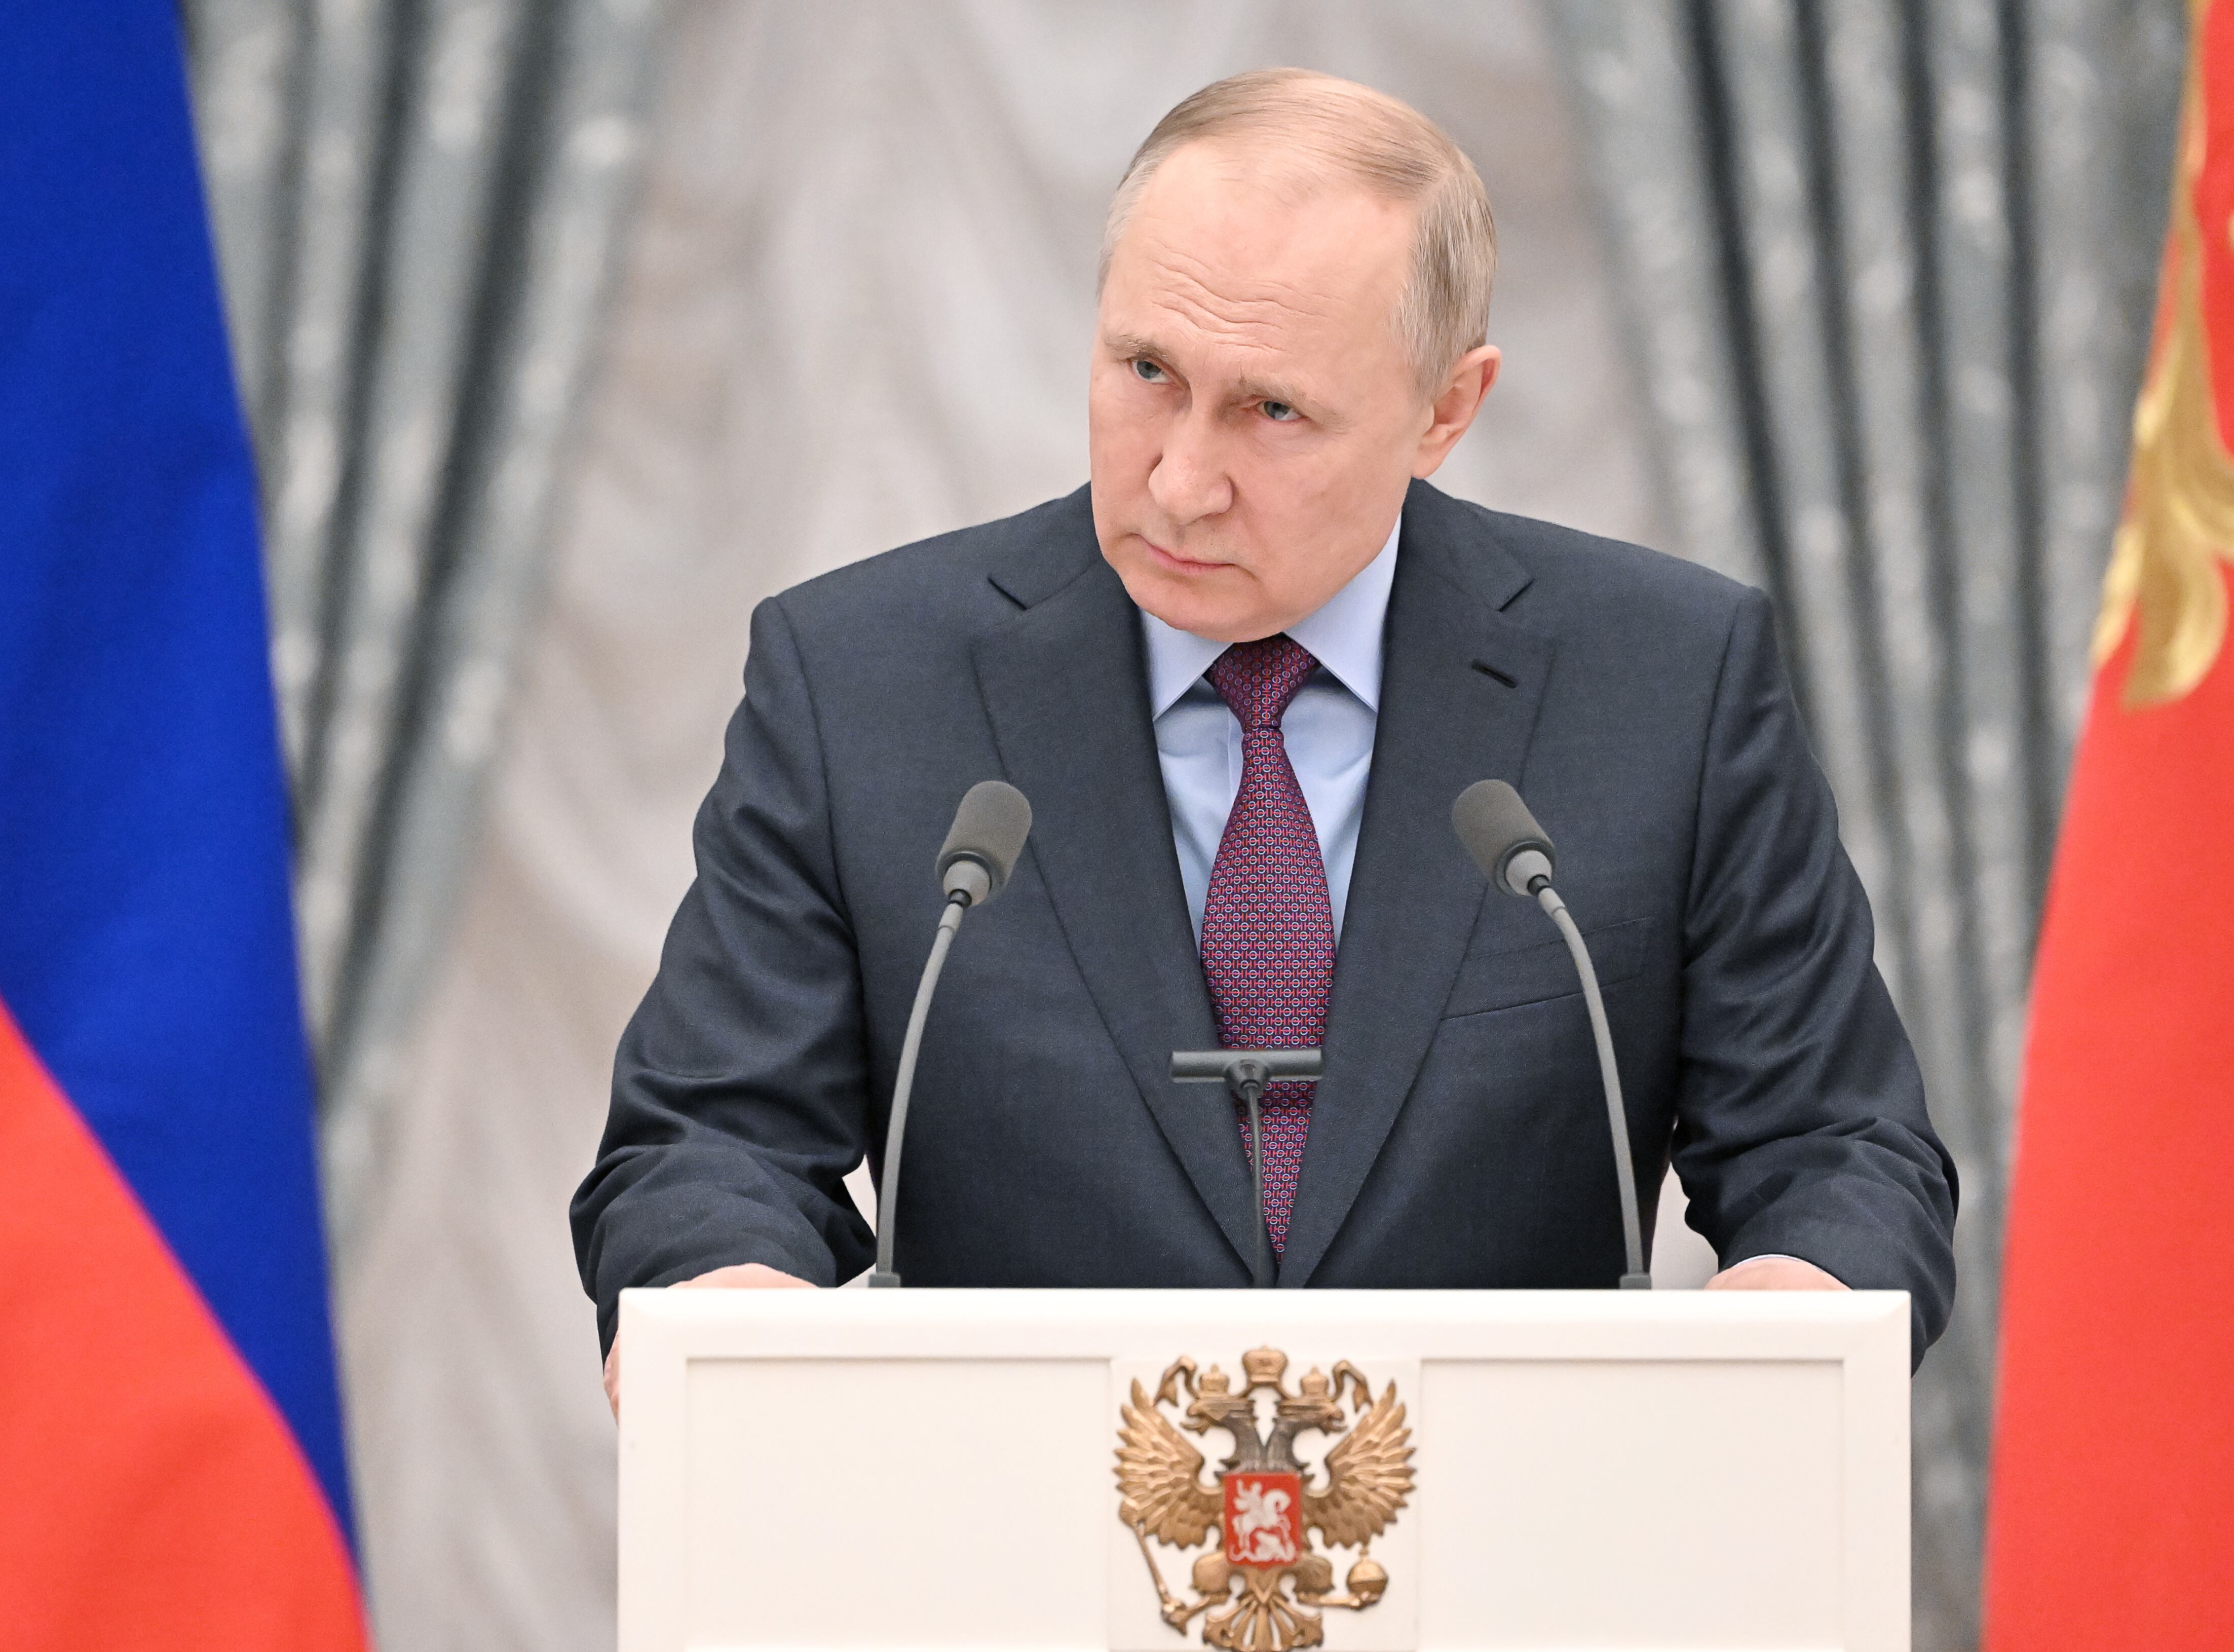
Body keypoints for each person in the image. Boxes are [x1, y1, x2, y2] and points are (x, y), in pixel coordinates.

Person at [573, 69, 1958, 1412]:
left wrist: (1804, 1292)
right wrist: (719, 1282)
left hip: (1515, 1574)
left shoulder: (1664, 682)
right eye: (1146, 371)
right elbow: (710, 1137)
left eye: (1273, 410)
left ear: (1446, 411)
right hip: (1011, 1575)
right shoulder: (864, 682)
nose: (1179, 481)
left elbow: (1834, 1141)